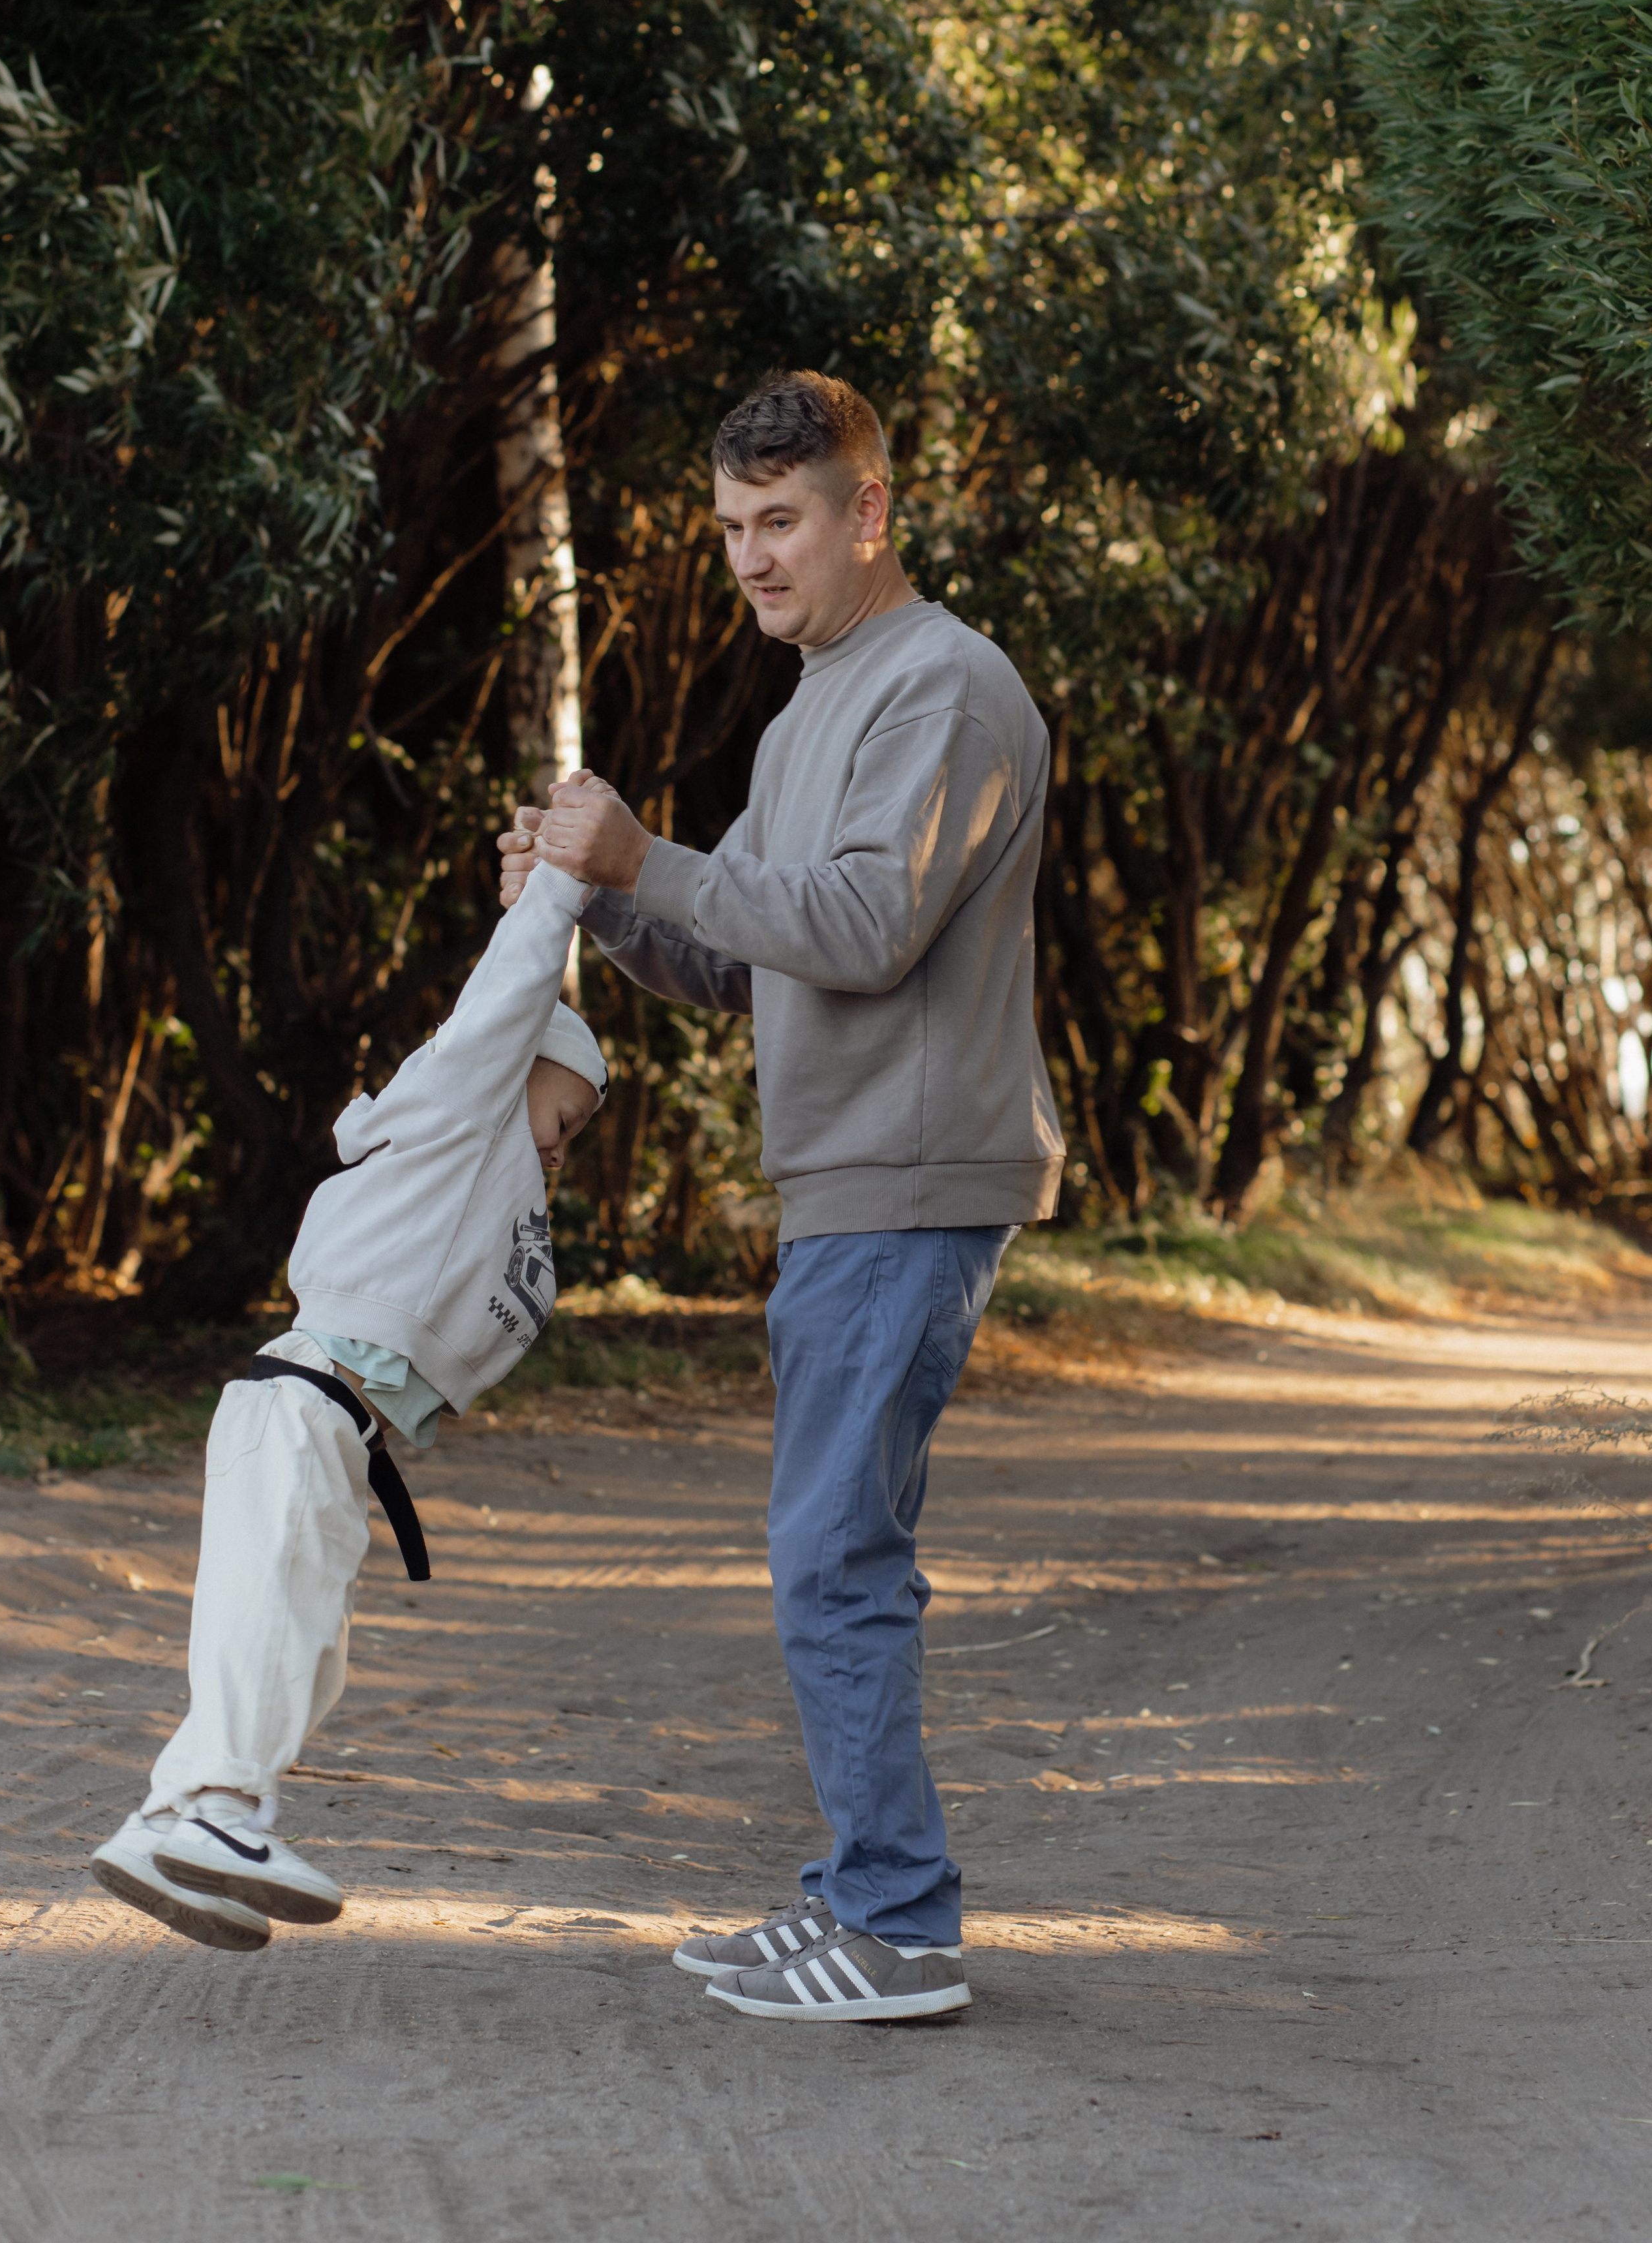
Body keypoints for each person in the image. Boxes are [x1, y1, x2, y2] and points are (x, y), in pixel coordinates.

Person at [498, 369, 1063, 2024]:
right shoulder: (813, 700)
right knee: (831, 1546)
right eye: (733, 527)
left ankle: (892, 1922)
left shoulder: (942, 689)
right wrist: (592, 901)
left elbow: (863, 926)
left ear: (867, 513)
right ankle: (860, 1899)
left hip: (907, 1175)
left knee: (834, 1554)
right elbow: (737, 953)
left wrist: (645, 858)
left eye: (783, 521)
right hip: (842, 1182)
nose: (752, 557)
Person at [89, 858, 606, 1951]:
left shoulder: (496, 1188)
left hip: (332, 1423)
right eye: (569, 1108)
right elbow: (511, 991)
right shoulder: (467, 1106)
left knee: (307, 1651)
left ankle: (167, 1822)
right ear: (521, 1063)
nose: (569, 1137)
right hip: (304, 1399)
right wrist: (561, 884)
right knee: (271, 1618)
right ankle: (219, 1811)